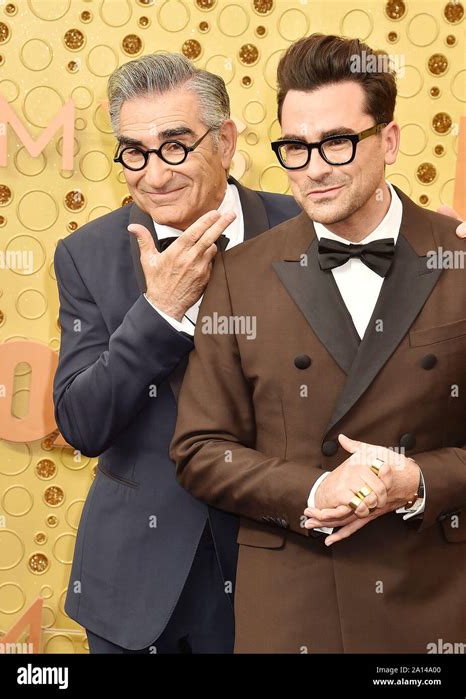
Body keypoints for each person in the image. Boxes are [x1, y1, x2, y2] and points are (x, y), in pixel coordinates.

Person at [170, 34, 466, 653]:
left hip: (440, 600)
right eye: (295, 148)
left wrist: (416, 479)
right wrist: (312, 490)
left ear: (387, 140)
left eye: (336, 142)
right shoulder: (239, 274)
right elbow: (200, 449)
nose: (314, 168)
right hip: (293, 604)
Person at [53, 53, 300, 653]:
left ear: (226, 140)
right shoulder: (85, 254)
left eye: (175, 146)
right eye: (133, 152)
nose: (154, 176)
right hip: (134, 587)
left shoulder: (309, 230)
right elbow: (82, 423)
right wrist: (158, 314)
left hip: (284, 574)